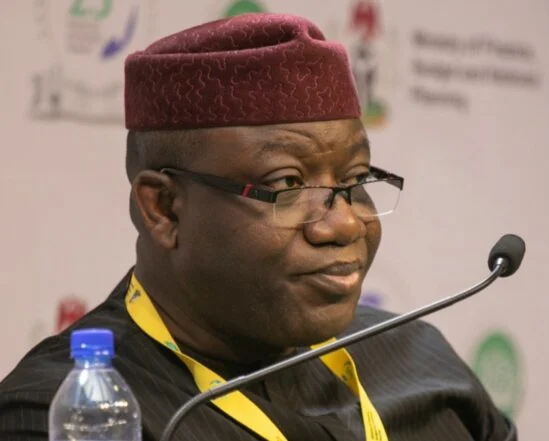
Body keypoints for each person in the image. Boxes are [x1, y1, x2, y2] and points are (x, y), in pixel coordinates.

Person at [0, 13, 516, 441]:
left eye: (356, 179)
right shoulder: (67, 415)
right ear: (165, 208)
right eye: (287, 184)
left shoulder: (423, 366)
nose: (343, 224)